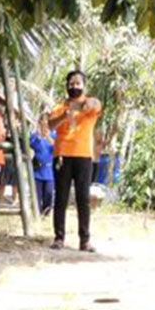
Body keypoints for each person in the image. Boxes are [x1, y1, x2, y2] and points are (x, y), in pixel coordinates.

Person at [47, 70, 102, 250]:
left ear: (84, 86)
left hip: (84, 156)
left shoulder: (90, 103)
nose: (74, 86)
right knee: (61, 198)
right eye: (71, 83)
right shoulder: (60, 107)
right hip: (62, 155)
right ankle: (59, 238)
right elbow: (50, 125)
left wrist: (79, 106)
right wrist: (65, 115)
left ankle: (84, 240)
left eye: (78, 83)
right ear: (67, 86)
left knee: (83, 198)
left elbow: (94, 104)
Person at [29, 114, 56, 216]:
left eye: (47, 123)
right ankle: (37, 213)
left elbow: (56, 148)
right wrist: (39, 136)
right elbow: (33, 145)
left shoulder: (54, 135)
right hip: (38, 170)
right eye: (42, 123)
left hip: (49, 171)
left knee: (49, 193)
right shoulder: (35, 135)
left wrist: (48, 136)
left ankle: (47, 212)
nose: (45, 125)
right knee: (37, 194)